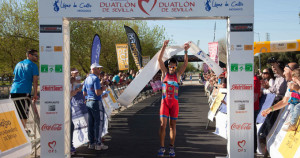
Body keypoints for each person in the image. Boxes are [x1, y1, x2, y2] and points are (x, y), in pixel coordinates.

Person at [157, 40, 190, 157]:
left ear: (175, 67)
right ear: (168, 66)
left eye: (174, 65)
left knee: (172, 126)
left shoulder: (178, 75)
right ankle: (161, 147)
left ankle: (171, 147)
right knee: (162, 125)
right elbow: (159, 60)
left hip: (174, 104)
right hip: (164, 103)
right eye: (170, 65)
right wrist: (163, 47)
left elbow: (185, 63)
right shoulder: (164, 72)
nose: (172, 67)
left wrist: (186, 51)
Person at [10, 49, 39, 128]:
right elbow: (35, 81)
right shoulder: (33, 65)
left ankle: (16, 132)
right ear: (29, 55)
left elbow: (16, 77)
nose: (37, 57)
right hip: (24, 91)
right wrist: (35, 94)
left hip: (13, 91)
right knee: (23, 114)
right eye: (36, 56)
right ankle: (22, 133)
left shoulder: (18, 64)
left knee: (15, 113)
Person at [83, 63, 108, 151]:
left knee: (91, 123)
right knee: (99, 122)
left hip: (89, 102)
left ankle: (92, 143)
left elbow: (84, 93)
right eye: (98, 69)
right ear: (93, 69)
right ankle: (98, 143)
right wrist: (103, 89)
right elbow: (98, 93)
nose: (100, 70)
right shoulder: (95, 78)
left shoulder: (87, 79)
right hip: (96, 102)